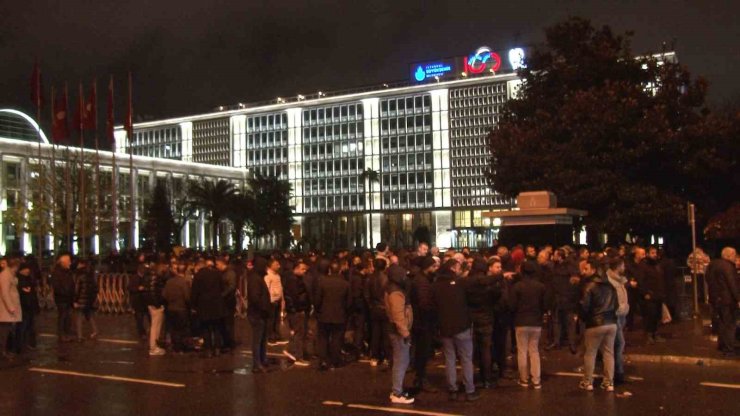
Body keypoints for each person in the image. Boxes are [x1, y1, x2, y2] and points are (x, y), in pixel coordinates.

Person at [432, 259, 480, 402]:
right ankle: (469, 389)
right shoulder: (460, 284)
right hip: (462, 326)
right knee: (466, 359)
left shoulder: (436, 286)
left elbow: (432, 306)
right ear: (453, 268)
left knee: (450, 359)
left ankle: (452, 388)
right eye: (458, 266)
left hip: (445, 327)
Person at [579, 259, 618, 392]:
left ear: (594, 270)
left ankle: (587, 381)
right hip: (611, 322)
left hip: (595, 322)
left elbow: (585, 306)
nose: (584, 271)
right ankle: (609, 382)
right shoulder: (610, 286)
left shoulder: (589, 286)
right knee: (609, 353)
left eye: (586, 268)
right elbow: (616, 305)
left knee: (590, 353)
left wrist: (583, 319)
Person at [510, 261, 546, 390]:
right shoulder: (540, 286)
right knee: (534, 351)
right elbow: (544, 304)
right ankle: (536, 380)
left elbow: (512, 305)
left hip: (521, 321)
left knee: (522, 351)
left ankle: (523, 379)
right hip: (536, 321)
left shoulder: (517, 286)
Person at [466, 257, 500, 388]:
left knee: (473, 349)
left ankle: (474, 376)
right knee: (486, 348)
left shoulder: (468, 281)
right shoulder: (488, 284)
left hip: (472, 318)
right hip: (486, 317)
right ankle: (487, 378)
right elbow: (496, 296)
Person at [385, 264, 415, 404]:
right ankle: (397, 392)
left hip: (396, 330)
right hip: (398, 332)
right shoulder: (396, 293)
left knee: (401, 360)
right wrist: (405, 332)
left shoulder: (391, 288)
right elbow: (398, 315)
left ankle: (397, 389)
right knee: (401, 361)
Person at [314, 259, 351, 371]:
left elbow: (317, 300)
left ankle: (323, 361)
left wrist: (318, 310)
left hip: (324, 314)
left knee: (323, 338)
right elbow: (349, 302)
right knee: (336, 339)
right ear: (339, 270)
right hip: (339, 315)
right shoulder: (345, 284)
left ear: (330, 270)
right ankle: (335, 360)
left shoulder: (322, 282)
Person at [409, 255, 438, 392]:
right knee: (422, 352)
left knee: (422, 352)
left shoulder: (423, 280)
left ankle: (419, 378)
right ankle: (421, 378)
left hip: (422, 322)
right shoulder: (422, 282)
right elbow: (424, 303)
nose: (435, 268)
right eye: (433, 266)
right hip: (423, 323)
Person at [705, 247, 739, 357]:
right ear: (729, 256)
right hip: (727, 300)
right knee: (729, 324)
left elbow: (707, 279)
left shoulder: (712, 265)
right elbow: (732, 284)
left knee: (721, 323)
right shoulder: (728, 267)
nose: (736, 257)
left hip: (716, 299)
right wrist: (738, 298)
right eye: (734, 255)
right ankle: (729, 350)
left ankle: (722, 345)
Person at [191, 257, 227, 358]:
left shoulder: (198, 276)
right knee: (216, 328)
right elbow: (222, 288)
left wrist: (193, 305)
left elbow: (194, 292)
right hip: (216, 305)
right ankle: (217, 348)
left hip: (204, 306)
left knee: (206, 328)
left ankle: (208, 349)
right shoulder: (217, 274)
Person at [606, 256, 630, 384]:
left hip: (620, 316)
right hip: (615, 317)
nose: (624, 268)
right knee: (618, 344)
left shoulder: (619, 281)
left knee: (617, 344)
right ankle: (617, 372)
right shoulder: (612, 282)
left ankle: (615, 371)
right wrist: (621, 310)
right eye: (623, 265)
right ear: (618, 267)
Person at [283, 261, 311, 366]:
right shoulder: (293, 280)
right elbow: (295, 297)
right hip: (296, 310)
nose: (305, 271)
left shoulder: (297, 279)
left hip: (296, 309)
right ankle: (297, 355)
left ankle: (292, 351)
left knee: (298, 332)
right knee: (299, 333)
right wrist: (299, 308)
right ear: (296, 268)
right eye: (303, 269)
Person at [247, 257, 272, 373]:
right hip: (258, 314)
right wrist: (263, 308)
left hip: (261, 313)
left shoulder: (257, 278)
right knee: (258, 339)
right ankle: (257, 363)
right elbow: (255, 298)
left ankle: (262, 360)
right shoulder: (255, 279)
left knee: (262, 339)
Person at [638, 247, 667, 344]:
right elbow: (641, 281)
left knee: (657, 316)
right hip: (650, 295)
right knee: (650, 316)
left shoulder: (657, 265)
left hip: (658, 295)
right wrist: (645, 293)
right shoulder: (643, 266)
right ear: (647, 254)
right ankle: (649, 335)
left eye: (655, 253)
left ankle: (656, 333)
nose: (654, 255)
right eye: (652, 253)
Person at [365, 258, 390, 367]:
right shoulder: (387, 278)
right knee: (385, 333)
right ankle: (386, 356)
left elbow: (366, 295)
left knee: (375, 333)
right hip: (385, 308)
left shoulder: (369, 278)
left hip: (374, 308)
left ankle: (374, 356)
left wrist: (371, 305)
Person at [162, 264, 192, 353]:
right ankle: (182, 347)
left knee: (173, 329)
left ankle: (175, 347)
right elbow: (187, 297)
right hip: (181, 308)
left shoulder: (169, 282)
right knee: (182, 329)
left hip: (171, 308)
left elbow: (164, 295)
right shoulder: (184, 282)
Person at [14, 263, 39, 354]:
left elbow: (32, 294)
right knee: (22, 326)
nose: (27, 270)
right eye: (25, 269)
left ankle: (27, 343)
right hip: (24, 306)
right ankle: (20, 345)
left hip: (29, 306)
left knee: (29, 326)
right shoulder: (20, 280)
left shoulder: (28, 279)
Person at [0, 257, 22, 360]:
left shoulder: (9, 274)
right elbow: (5, 293)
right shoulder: (5, 275)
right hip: (6, 309)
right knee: (5, 331)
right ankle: (3, 351)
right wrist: (11, 308)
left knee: (7, 330)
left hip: (8, 308)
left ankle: (5, 350)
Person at [72, 259, 99, 342]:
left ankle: (80, 336)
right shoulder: (91, 275)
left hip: (81, 299)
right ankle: (95, 330)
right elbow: (95, 288)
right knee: (89, 315)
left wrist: (75, 300)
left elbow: (77, 289)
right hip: (89, 299)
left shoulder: (79, 275)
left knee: (79, 317)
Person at [51, 253, 76, 343]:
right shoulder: (57, 272)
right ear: (63, 262)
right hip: (62, 298)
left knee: (67, 317)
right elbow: (57, 287)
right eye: (68, 261)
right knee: (63, 317)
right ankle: (62, 334)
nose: (70, 263)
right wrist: (65, 293)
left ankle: (66, 333)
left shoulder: (67, 272)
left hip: (68, 298)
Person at [264, 258, 286, 345]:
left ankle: (277, 336)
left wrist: (283, 300)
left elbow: (281, 288)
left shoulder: (277, 275)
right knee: (271, 320)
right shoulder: (267, 276)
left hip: (278, 300)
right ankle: (270, 337)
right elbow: (266, 290)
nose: (279, 266)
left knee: (276, 320)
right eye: (276, 264)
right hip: (271, 301)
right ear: (271, 265)